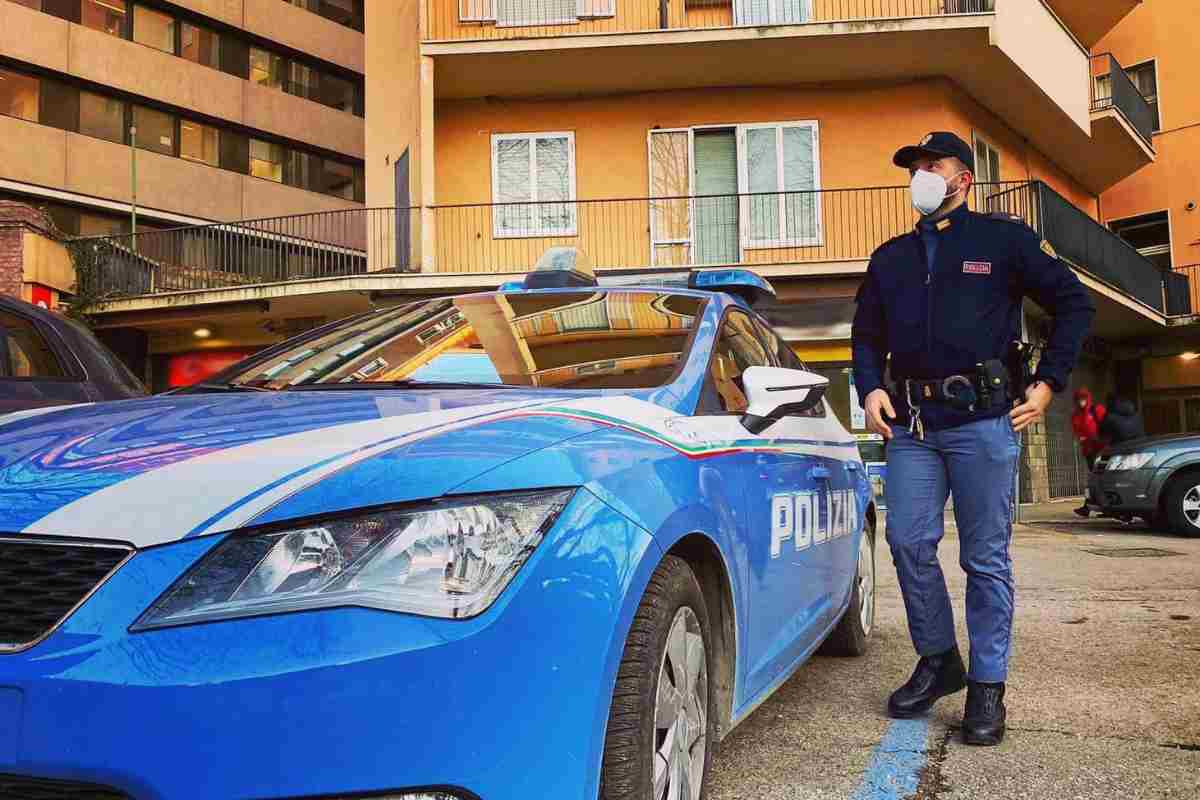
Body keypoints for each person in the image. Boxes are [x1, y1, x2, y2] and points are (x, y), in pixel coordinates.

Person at [852, 131, 1094, 746]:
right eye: (913, 168)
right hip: (913, 428)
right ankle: (939, 661)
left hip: (986, 423)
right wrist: (868, 387)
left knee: (983, 558)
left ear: (963, 178)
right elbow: (865, 333)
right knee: (907, 541)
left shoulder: (1004, 240)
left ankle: (988, 687)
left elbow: (1074, 304)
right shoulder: (890, 257)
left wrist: (1047, 383)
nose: (920, 176)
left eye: (932, 165)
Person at [1071, 388, 1107, 517]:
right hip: (1089, 451)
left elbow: (1105, 427)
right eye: (1079, 399)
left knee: (1098, 479)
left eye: (1084, 398)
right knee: (1096, 479)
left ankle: (1090, 506)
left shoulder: (1096, 411)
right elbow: (1077, 430)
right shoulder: (1076, 415)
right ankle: (1098, 506)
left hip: (1100, 449)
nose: (1082, 402)